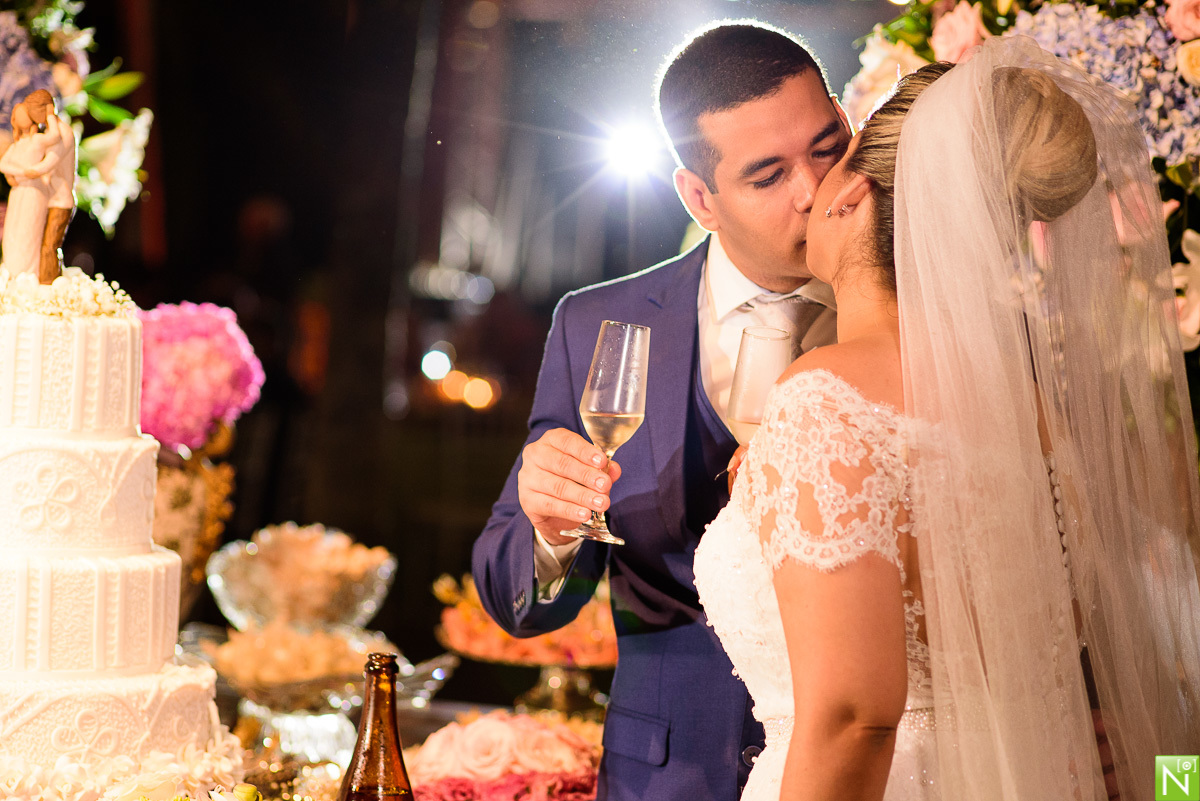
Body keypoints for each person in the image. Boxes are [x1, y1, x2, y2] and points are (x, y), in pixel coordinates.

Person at [694, 36, 1200, 801]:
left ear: (854, 191)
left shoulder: (825, 399)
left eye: (830, 159)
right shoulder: (1032, 412)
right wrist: (1174, 787)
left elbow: (854, 719)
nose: (807, 193)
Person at [472, 22, 846, 801]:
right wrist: (548, 530)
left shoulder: (920, 307)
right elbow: (520, 600)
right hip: (667, 775)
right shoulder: (600, 324)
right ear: (700, 198)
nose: (814, 190)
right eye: (768, 175)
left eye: (826, 146)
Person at [0, 94, 61, 279]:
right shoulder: (16, 145)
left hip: (34, 192)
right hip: (19, 191)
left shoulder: (38, 140)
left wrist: (50, 114)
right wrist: (22, 171)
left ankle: (28, 274)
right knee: (13, 231)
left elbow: (56, 135)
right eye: (18, 114)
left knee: (30, 231)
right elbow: (2, 164)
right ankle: (12, 272)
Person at [21, 89, 75, 284]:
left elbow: (50, 162)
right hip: (51, 196)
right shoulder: (51, 132)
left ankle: (49, 285)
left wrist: (27, 170)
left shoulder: (62, 132)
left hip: (61, 199)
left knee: (50, 246)